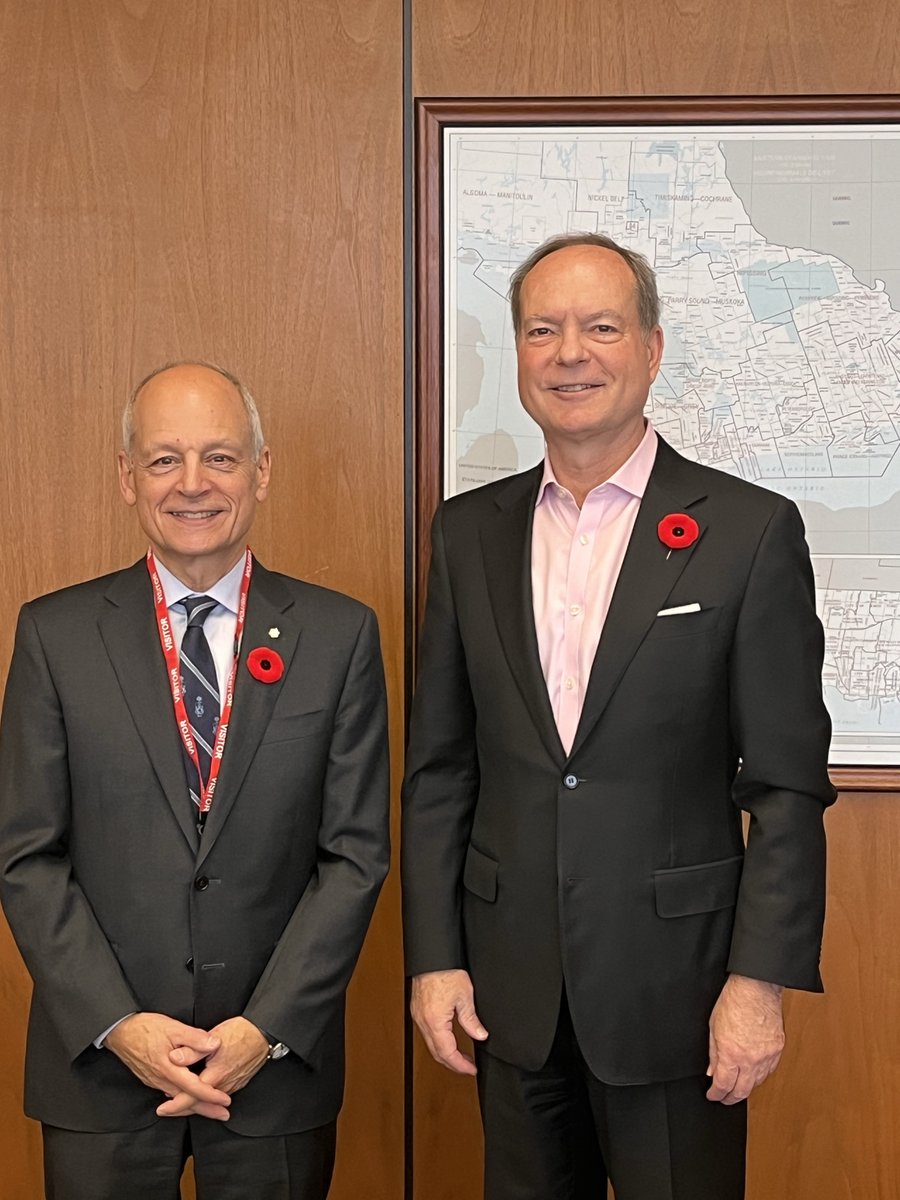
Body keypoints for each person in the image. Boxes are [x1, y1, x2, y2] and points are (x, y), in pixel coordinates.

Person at [402, 233, 836, 1200]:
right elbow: (441, 769)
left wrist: (757, 985)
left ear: (651, 348)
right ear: (517, 352)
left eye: (601, 327)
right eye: (543, 330)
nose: (570, 354)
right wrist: (435, 960)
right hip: (509, 997)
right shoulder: (467, 533)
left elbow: (787, 787)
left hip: (677, 996)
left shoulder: (749, 532)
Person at [0, 362, 390, 1200]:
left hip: (271, 1077)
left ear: (262, 470)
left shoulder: (339, 635)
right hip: (102, 1073)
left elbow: (354, 856)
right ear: (126, 477)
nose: (192, 485)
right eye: (164, 459)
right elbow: (27, 855)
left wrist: (267, 1029)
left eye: (219, 456)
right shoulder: (54, 635)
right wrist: (120, 1026)